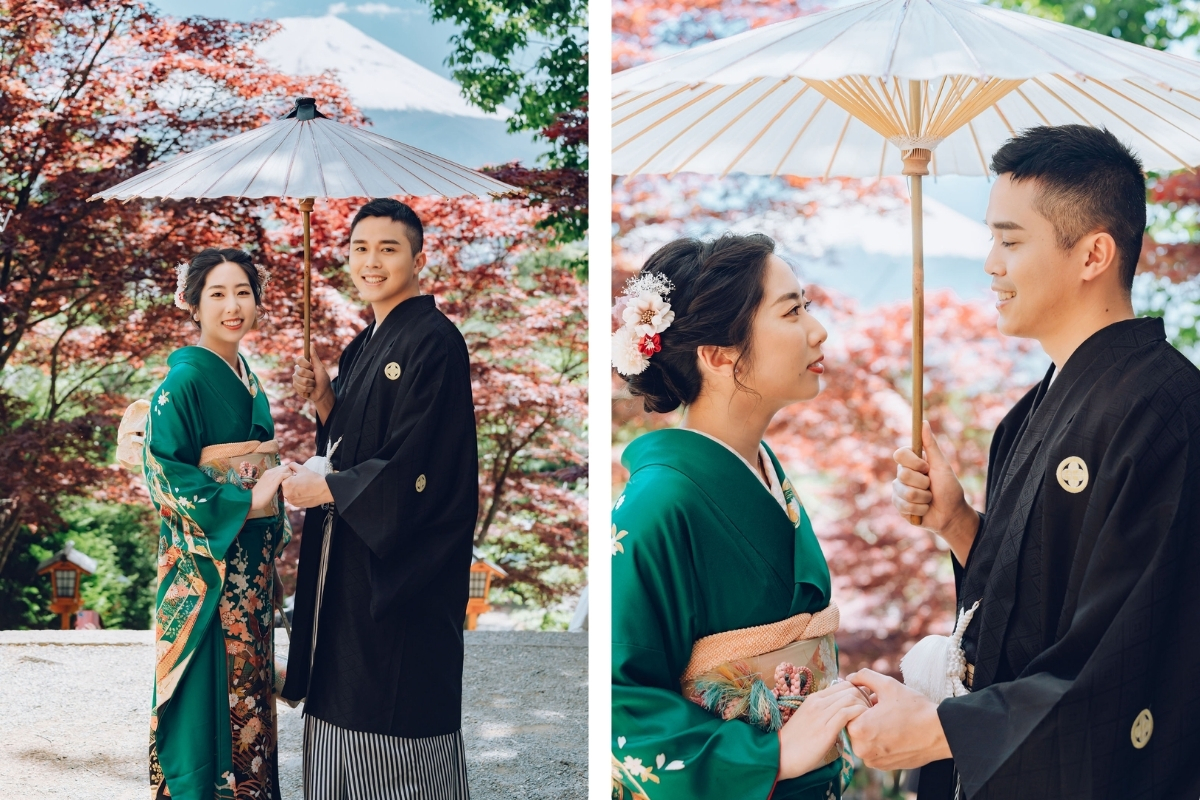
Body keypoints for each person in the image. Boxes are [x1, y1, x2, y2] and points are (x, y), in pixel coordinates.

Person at [846, 126, 1200, 799]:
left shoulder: (1166, 411)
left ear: (1094, 253)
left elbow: (1123, 654)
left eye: (1010, 241)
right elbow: (1031, 602)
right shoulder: (1028, 413)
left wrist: (939, 731)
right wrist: (956, 522)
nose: (990, 263)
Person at [611, 233, 871, 800]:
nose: (817, 330)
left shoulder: (763, 471)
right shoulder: (660, 504)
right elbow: (617, 704)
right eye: (793, 310)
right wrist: (769, 754)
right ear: (718, 353)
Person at [279, 198, 478, 799]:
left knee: (391, 704)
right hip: (352, 568)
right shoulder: (361, 345)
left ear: (420, 258)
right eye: (360, 249)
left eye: (388, 249)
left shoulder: (436, 341)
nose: (372, 262)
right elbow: (360, 440)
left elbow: (421, 462)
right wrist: (326, 406)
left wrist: (331, 488)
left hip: (402, 574)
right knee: (342, 696)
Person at [142, 248, 293, 800]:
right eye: (218, 294)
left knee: (250, 702)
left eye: (244, 292)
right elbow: (163, 475)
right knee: (209, 714)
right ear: (192, 303)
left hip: (247, 576)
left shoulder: (249, 381)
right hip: (208, 574)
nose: (233, 306)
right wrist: (249, 500)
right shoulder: (183, 382)